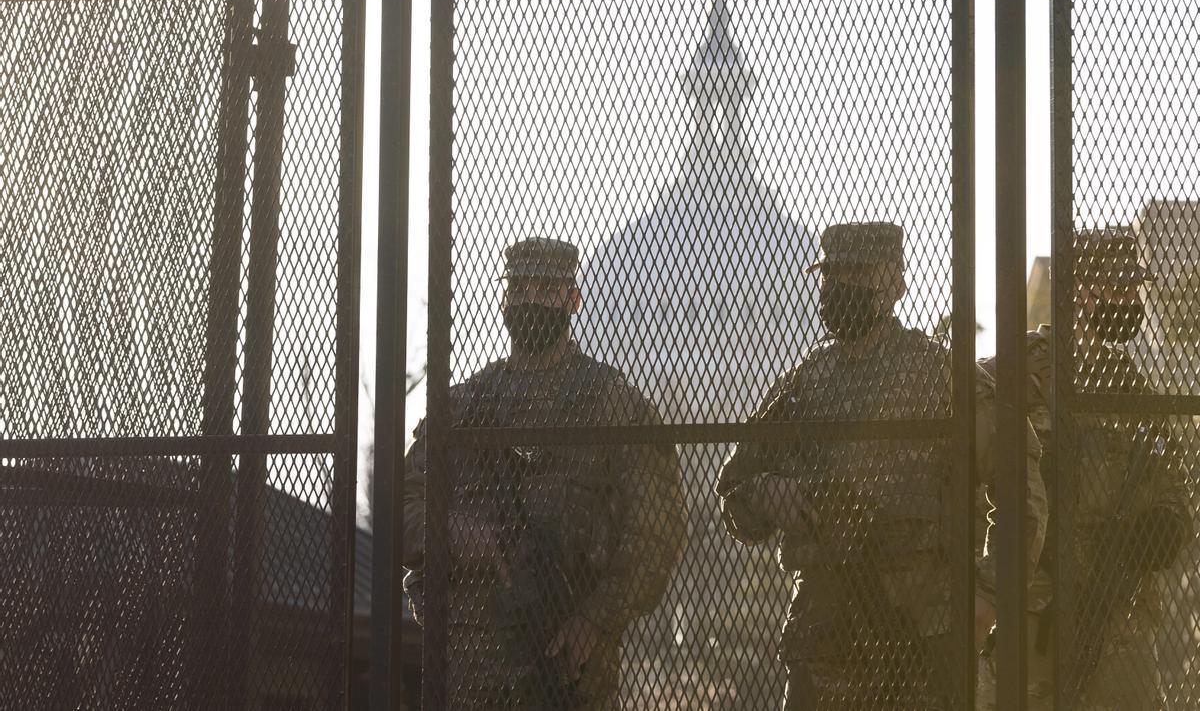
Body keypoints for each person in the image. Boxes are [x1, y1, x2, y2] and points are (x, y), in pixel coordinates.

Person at [716, 222, 1047, 709]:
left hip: (922, 644)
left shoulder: (940, 376)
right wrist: (771, 493)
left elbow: (1020, 484)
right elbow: (735, 489)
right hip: (825, 644)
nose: (838, 289)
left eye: (857, 274)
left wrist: (987, 599)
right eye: (831, 277)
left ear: (895, 285)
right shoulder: (804, 384)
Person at [402, 237, 687, 708]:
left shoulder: (614, 406)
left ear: (573, 299)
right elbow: (402, 505)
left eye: (547, 288)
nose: (532, 299)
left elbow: (660, 528)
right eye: (521, 287)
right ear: (503, 299)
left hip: (570, 668)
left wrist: (596, 618)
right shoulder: (461, 406)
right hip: (470, 670)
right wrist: (451, 532)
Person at [975, 228, 1193, 710]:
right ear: (1077, 291)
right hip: (1029, 617)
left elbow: (1174, 480)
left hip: (1115, 615)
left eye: (1134, 287)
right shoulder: (1011, 372)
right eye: (1116, 287)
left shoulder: (1130, 386)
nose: (1131, 298)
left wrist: (1167, 523)